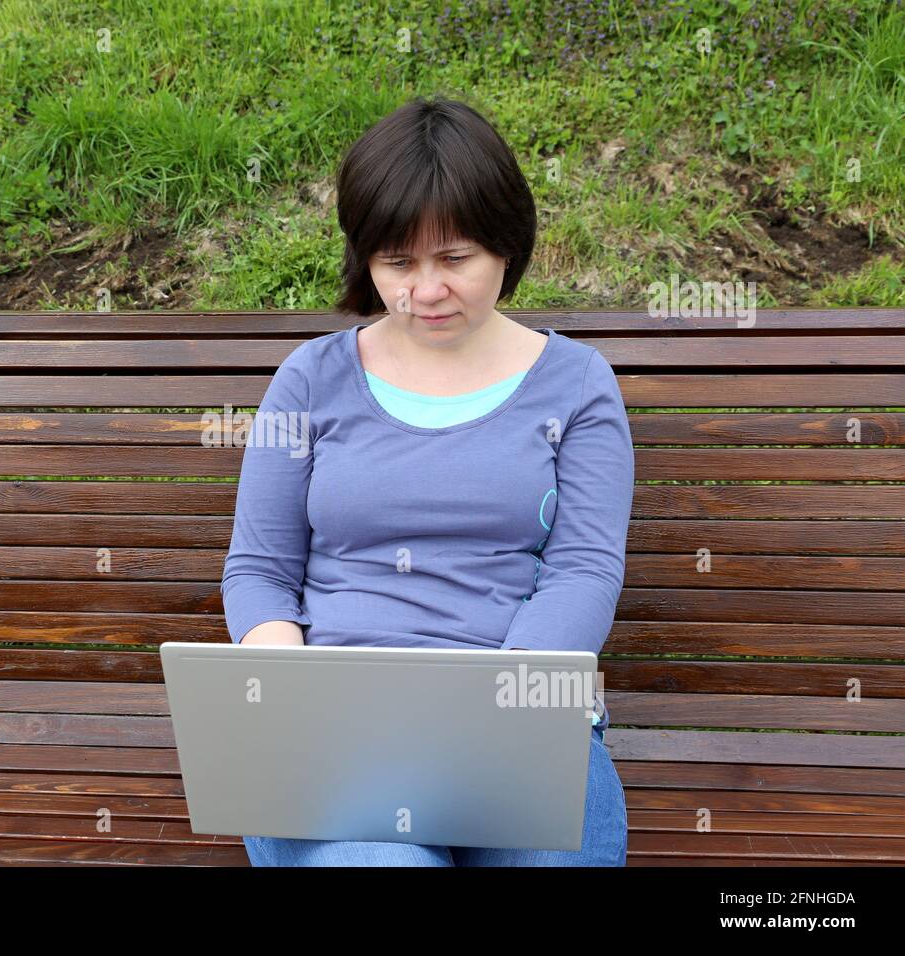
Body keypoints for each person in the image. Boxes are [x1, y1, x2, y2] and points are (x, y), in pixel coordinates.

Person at [220, 94, 635, 867]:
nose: (426, 291)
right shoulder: (310, 381)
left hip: (522, 716)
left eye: (454, 259)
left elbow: (583, 568)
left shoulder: (576, 384)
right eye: (397, 263)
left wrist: (498, 711)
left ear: (506, 246)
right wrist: (288, 693)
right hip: (338, 731)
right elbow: (262, 570)